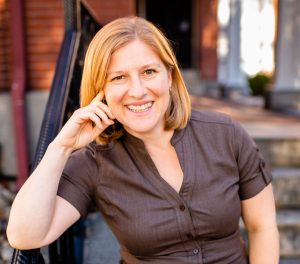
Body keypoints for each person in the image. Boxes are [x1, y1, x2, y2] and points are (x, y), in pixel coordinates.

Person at [7, 16, 279, 264]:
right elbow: (24, 236)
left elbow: (262, 226)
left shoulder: (225, 134)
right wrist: (61, 147)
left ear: (169, 76)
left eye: (149, 72)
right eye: (119, 77)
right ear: (100, 90)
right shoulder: (94, 161)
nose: (137, 91)